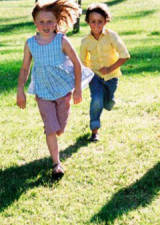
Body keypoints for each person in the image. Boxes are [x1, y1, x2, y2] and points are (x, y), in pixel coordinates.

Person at [16, 0, 94, 179]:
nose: (45, 25)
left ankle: (57, 133)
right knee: (50, 128)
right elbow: (24, 69)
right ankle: (56, 164)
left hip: (63, 90)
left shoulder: (61, 40)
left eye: (50, 21)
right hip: (42, 92)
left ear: (57, 22)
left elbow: (76, 64)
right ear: (35, 22)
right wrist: (20, 89)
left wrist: (77, 90)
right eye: (41, 21)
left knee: (59, 129)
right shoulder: (30, 44)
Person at [80, 3, 130, 142]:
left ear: (106, 21)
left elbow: (125, 55)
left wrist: (109, 68)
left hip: (112, 77)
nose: (96, 25)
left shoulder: (111, 36)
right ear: (88, 22)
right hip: (95, 77)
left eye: (100, 21)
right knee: (96, 100)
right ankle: (94, 131)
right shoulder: (85, 42)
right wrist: (87, 76)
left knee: (107, 101)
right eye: (93, 21)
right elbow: (83, 62)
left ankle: (109, 100)